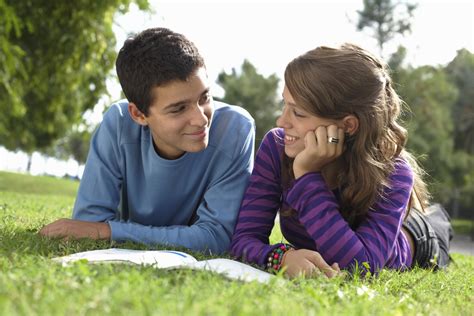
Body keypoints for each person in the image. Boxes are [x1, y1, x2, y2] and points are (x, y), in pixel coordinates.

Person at [230, 43, 452, 277]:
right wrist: (281, 258)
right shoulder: (277, 147)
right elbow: (243, 240)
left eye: (298, 113)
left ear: (347, 125)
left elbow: (361, 267)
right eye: (285, 105)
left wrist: (306, 175)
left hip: (416, 238)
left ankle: (438, 218)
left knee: (436, 221)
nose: (281, 121)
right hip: (386, 224)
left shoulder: (394, 173)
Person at [40, 27, 255, 254]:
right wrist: (98, 229)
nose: (201, 119)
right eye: (179, 109)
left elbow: (216, 237)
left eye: (204, 97)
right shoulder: (118, 124)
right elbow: (88, 223)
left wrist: (109, 231)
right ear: (139, 115)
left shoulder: (236, 129)